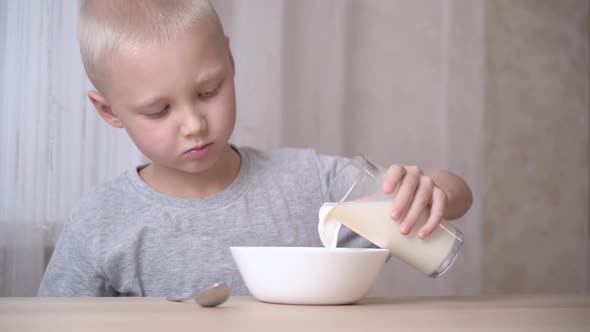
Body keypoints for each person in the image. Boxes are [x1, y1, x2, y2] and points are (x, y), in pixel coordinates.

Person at [38, 0, 473, 297]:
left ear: (230, 63)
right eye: (159, 110)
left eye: (209, 91)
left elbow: (458, 197)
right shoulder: (100, 224)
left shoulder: (309, 183)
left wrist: (433, 189)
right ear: (109, 110)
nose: (194, 124)